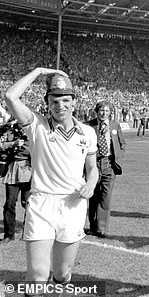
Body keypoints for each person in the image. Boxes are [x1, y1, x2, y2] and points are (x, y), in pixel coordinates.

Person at [4, 69, 98, 289]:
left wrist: (91, 184)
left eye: (66, 100)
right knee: (37, 274)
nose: (60, 106)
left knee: (63, 273)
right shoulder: (37, 125)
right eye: (54, 101)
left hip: (73, 205)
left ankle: (60, 285)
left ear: (74, 102)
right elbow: (10, 96)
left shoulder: (87, 133)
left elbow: (92, 168)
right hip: (41, 204)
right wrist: (39, 72)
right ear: (47, 102)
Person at [86, 100, 126, 238]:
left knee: (106, 197)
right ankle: (92, 226)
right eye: (102, 110)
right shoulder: (88, 125)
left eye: (107, 111)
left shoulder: (115, 125)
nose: (104, 113)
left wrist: (119, 156)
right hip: (93, 164)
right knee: (93, 196)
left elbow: (122, 143)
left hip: (109, 164)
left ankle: (101, 229)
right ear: (97, 111)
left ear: (110, 113)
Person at [1, 104, 32, 244]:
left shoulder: (33, 130)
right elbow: (1, 145)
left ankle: (28, 231)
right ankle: (9, 234)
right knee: (9, 203)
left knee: (29, 203)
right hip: (13, 168)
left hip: (29, 169)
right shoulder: (9, 129)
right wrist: (13, 143)